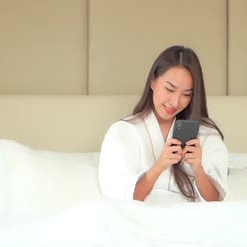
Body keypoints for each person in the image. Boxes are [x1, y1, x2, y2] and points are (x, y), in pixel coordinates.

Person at [98, 45, 229, 203]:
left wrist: (198, 170)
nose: (175, 102)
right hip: (142, 221)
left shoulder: (207, 135)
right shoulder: (122, 132)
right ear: (153, 82)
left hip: (193, 221)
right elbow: (119, 199)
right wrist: (159, 166)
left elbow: (217, 203)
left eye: (186, 94)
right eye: (169, 89)